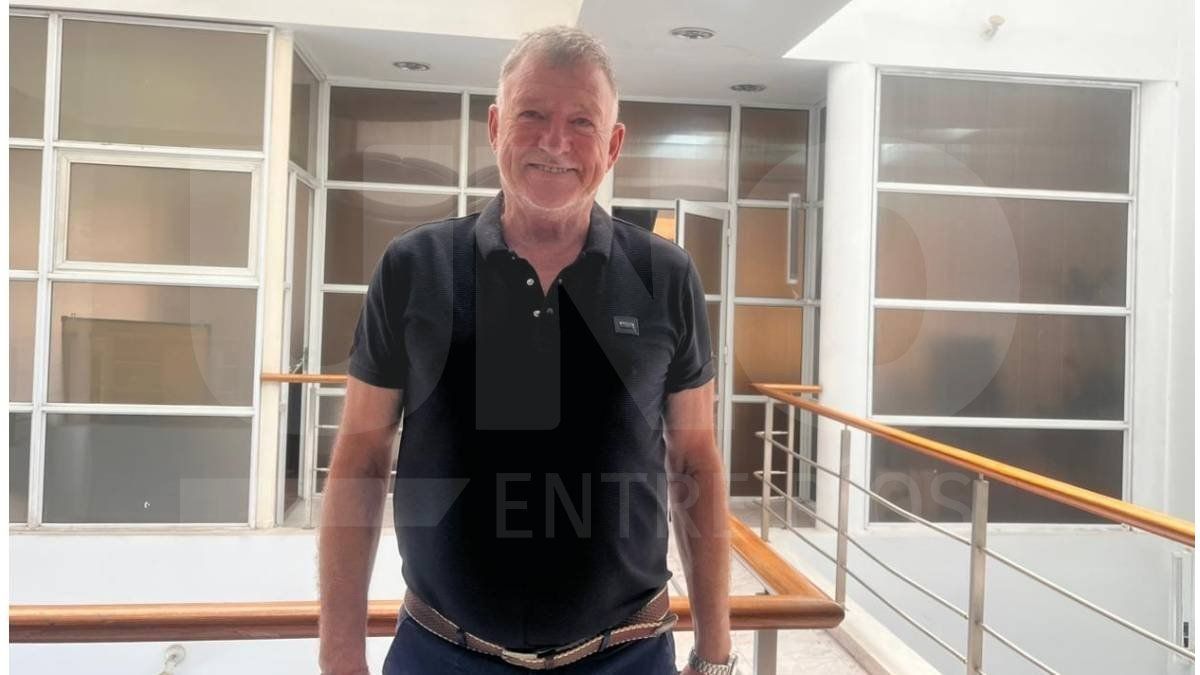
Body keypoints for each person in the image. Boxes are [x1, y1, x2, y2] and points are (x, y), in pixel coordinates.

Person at [318, 26, 735, 675]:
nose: (554, 142)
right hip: (441, 654)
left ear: (613, 144)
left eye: (582, 121)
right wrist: (340, 655)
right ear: (495, 126)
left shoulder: (665, 275)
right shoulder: (415, 267)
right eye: (532, 114)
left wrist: (714, 653)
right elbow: (361, 459)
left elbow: (695, 462)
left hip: (626, 656)